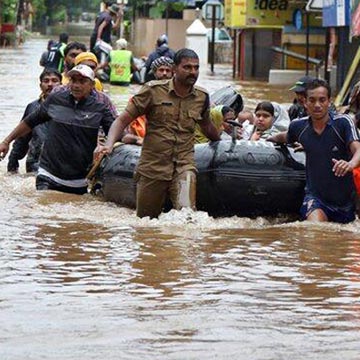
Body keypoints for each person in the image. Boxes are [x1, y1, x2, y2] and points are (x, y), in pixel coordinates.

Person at [94, 48, 220, 218]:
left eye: (196, 68)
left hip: (184, 165)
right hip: (153, 167)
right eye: (187, 67)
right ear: (175, 69)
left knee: (187, 216)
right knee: (146, 221)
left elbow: (207, 126)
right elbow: (122, 120)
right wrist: (108, 145)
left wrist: (223, 142)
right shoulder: (152, 91)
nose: (193, 72)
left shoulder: (201, 97)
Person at [0, 65, 115, 195]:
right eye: (73, 80)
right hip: (48, 174)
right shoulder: (55, 100)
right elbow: (29, 122)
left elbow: (116, 131)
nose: (76, 85)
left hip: (79, 181)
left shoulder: (100, 108)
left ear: (92, 85)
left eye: (82, 81)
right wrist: (6, 141)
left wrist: (132, 140)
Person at [267, 78, 360, 224]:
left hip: (346, 202)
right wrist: (264, 140)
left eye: (322, 100)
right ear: (305, 102)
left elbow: (358, 149)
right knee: (315, 231)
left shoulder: (343, 123)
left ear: (329, 101)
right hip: (316, 198)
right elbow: (285, 137)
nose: (317, 105)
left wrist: (350, 164)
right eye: (312, 100)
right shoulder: (298, 126)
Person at [7, 69, 62, 173]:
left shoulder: (68, 107)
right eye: (46, 81)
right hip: (35, 164)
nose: (50, 84)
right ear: (40, 86)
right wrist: (12, 164)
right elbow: (22, 138)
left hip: (59, 164)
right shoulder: (33, 107)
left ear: (61, 85)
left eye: (54, 81)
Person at [121, 56, 175, 145]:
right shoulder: (145, 93)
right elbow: (126, 122)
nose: (164, 73)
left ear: (173, 73)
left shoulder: (178, 95)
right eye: (161, 70)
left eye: (167, 70)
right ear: (155, 73)